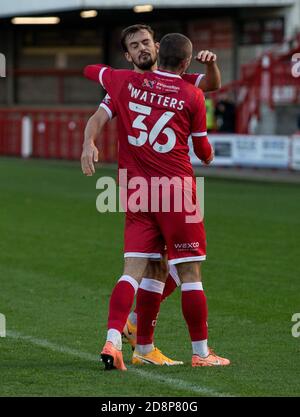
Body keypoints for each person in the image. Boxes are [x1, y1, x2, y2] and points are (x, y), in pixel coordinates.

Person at [85, 32, 230, 370]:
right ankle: (201, 352)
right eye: (134, 45)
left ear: (156, 49)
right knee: (189, 270)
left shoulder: (122, 82)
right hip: (176, 191)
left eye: (146, 42)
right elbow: (204, 147)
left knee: (142, 268)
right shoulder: (187, 90)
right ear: (183, 62)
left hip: (136, 191)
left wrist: (105, 73)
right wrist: (208, 158)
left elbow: (91, 69)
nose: (141, 48)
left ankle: (127, 340)